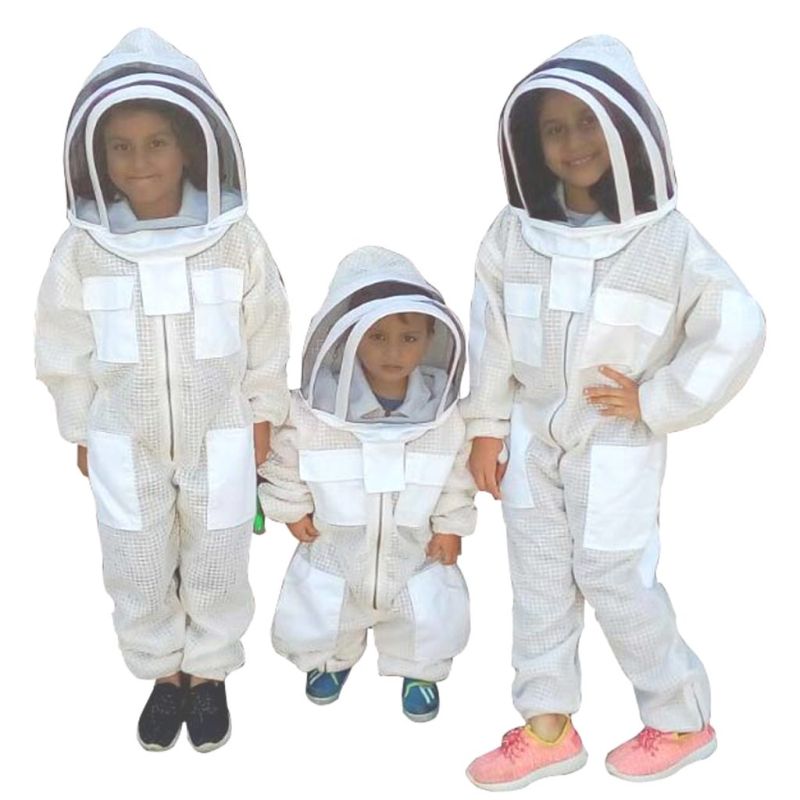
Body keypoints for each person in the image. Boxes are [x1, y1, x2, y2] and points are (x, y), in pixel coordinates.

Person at [463, 35, 765, 787]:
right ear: (530, 143)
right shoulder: (513, 233)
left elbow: (738, 325)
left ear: (629, 129)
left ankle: (680, 717)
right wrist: (485, 428)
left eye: (589, 123)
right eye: (554, 128)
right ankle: (547, 726)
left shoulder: (666, 240)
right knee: (537, 581)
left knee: (615, 577)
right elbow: (490, 336)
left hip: (615, 438)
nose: (573, 143)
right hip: (531, 435)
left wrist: (658, 400)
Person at [35, 28, 290, 752]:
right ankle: (161, 670)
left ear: (191, 149)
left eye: (156, 142)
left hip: (222, 431)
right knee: (135, 561)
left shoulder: (235, 239)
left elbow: (268, 331)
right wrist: (80, 428)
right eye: (120, 146)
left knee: (218, 556)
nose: (139, 160)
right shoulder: (84, 249)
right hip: (124, 437)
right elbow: (62, 347)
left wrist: (263, 412)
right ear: (96, 158)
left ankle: (208, 672)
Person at [259, 246, 475, 722]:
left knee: (424, 612)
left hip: (416, 549)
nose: (393, 352)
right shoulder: (312, 413)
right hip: (334, 546)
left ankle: (419, 668)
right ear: (348, 337)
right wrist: (290, 507)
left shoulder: (443, 417)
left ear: (431, 338)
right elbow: (284, 458)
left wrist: (451, 525)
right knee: (326, 610)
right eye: (377, 336)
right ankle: (329, 661)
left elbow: (456, 475)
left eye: (409, 337)